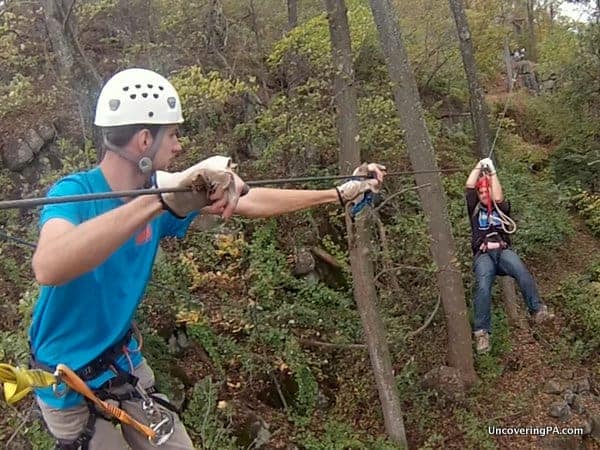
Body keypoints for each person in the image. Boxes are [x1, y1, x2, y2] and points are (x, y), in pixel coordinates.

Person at [29, 68, 386, 449]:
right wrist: (157, 202)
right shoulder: (74, 192)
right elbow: (48, 266)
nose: (180, 146)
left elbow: (249, 201)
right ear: (145, 139)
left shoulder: (163, 193)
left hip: (123, 361)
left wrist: (337, 193)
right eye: (174, 135)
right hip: (67, 382)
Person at [465, 157, 553, 354]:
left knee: (521, 271)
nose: (484, 195)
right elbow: (470, 186)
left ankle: (537, 309)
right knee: (483, 285)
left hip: (503, 251)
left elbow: (498, 197)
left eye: (486, 191)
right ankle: (482, 333)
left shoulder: (501, 208)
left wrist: (492, 173)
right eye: (481, 193)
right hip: (484, 254)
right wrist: (480, 165)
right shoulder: (475, 209)